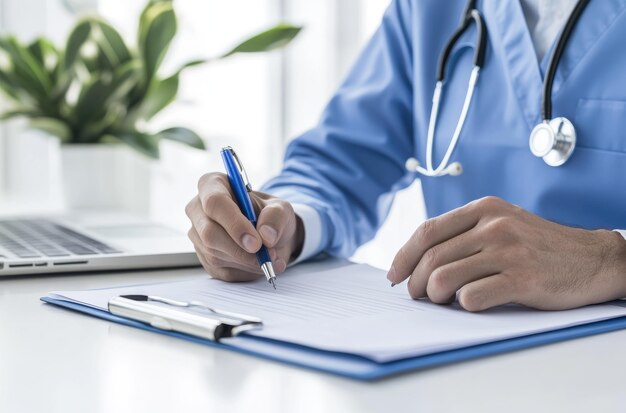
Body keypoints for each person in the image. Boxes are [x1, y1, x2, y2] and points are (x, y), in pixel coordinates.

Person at [185, 0, 626, 311]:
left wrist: (610, 259)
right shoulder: (426, 9)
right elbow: (340, 163)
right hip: (464, 356)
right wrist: (281, 226)